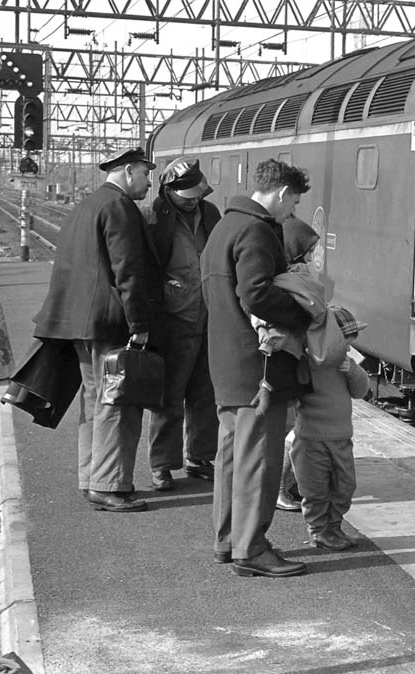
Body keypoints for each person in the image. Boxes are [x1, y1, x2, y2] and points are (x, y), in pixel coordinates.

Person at [200, 159, 312, 578]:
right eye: (294, 202)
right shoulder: (257, 230)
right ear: (282, 193)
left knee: (231, 459)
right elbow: (256, 293)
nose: (292, 211)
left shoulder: (223, 227)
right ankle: (252, 548)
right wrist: (303, 313)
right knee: (259, 462)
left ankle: (228, 540)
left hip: (228, 360)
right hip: (258, 366)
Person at [32, 147, 160, 512]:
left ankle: (91, 476)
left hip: (80, 324)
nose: (149, 182)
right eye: (145, 173)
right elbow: (128, 274)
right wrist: (140, 326)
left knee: (94, 401)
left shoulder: (86, 206)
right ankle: (108, 485)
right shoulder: (119, 209)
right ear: (129, 170)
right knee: (117, 402)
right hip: (108, 323)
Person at [142, 158, 222, 491]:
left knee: (206, 392)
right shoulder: (153, 217)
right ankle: (162, 464)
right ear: (168, 190)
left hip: (209, 314)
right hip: (174, 317)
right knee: (169, 396)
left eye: (196, 193)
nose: (193, 199)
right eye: (187, 195)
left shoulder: (211, 213)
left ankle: (200, 457)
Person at [290, 305, 369, 550]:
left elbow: (361, 391)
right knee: (315, 490)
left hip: (342, 437)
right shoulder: (308, 360)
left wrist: (353, 371)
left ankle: (334, 526)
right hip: (311, 438)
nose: (346, 349)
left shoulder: (346, 362)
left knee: (345, 486)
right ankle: (319, 531)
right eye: (343, 343)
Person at [276, 215, 321, 513]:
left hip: (292, 360)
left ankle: (286, 486)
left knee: (291, 428)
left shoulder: (285, 278)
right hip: (289, 360)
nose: (313, 258)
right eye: (308, 251)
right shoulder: (294, 281)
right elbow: (316, 313)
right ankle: (282, 488)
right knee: (291, 430)